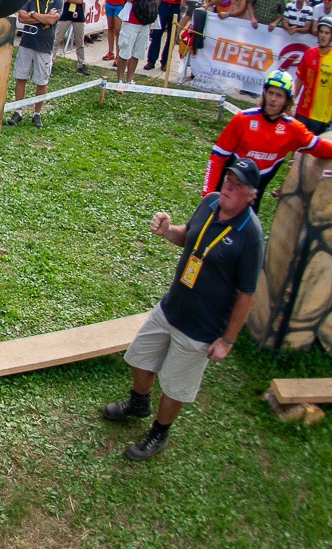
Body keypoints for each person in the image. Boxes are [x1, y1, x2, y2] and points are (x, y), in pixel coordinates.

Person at [101, 157, 267, 461]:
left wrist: (227, 340)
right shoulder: (211, 202)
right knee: (141, 356)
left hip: (202, 326)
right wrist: (167, 230)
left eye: (238, 184)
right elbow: (189, 235)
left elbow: (246, 294)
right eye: (228, 178)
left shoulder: (251, 236)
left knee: (175, 387)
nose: (229, 186)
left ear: (251, 195)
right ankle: (139, 403)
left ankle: (159, 433)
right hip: (172, 306)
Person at [205, 68, 332, 192]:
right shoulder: (243, 119)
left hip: (252, 196)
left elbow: (318, 146)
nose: (273, 99)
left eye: (279, 95)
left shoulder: (293, 129)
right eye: (270, 93)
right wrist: (208, 194)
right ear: (264, 94)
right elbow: (217, 156)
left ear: (287, 101)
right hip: (225, 190)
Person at [8, 0, 61, 127]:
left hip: (44, 45)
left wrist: (32, 14)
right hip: (27, 43)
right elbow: (22, 18)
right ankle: (18, 111)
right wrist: (43, 17)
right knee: (21, 77)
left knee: (41, 81)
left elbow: (52, 20)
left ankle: (37, 113)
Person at [296, 18, 332, 134]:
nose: (323, 36)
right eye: (321, 32)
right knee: (294, 149)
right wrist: (289, 103)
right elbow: (299, 80)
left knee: (312, 151)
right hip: (302, 112)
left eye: (327, 33)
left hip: (321, 118)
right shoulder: (308, 53)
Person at [56, 0, 90, 74]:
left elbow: (80, 0)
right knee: (57, 39)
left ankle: (81, 64)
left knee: (80, 41)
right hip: (65, 14)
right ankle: (49, 61)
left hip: (78, 15)